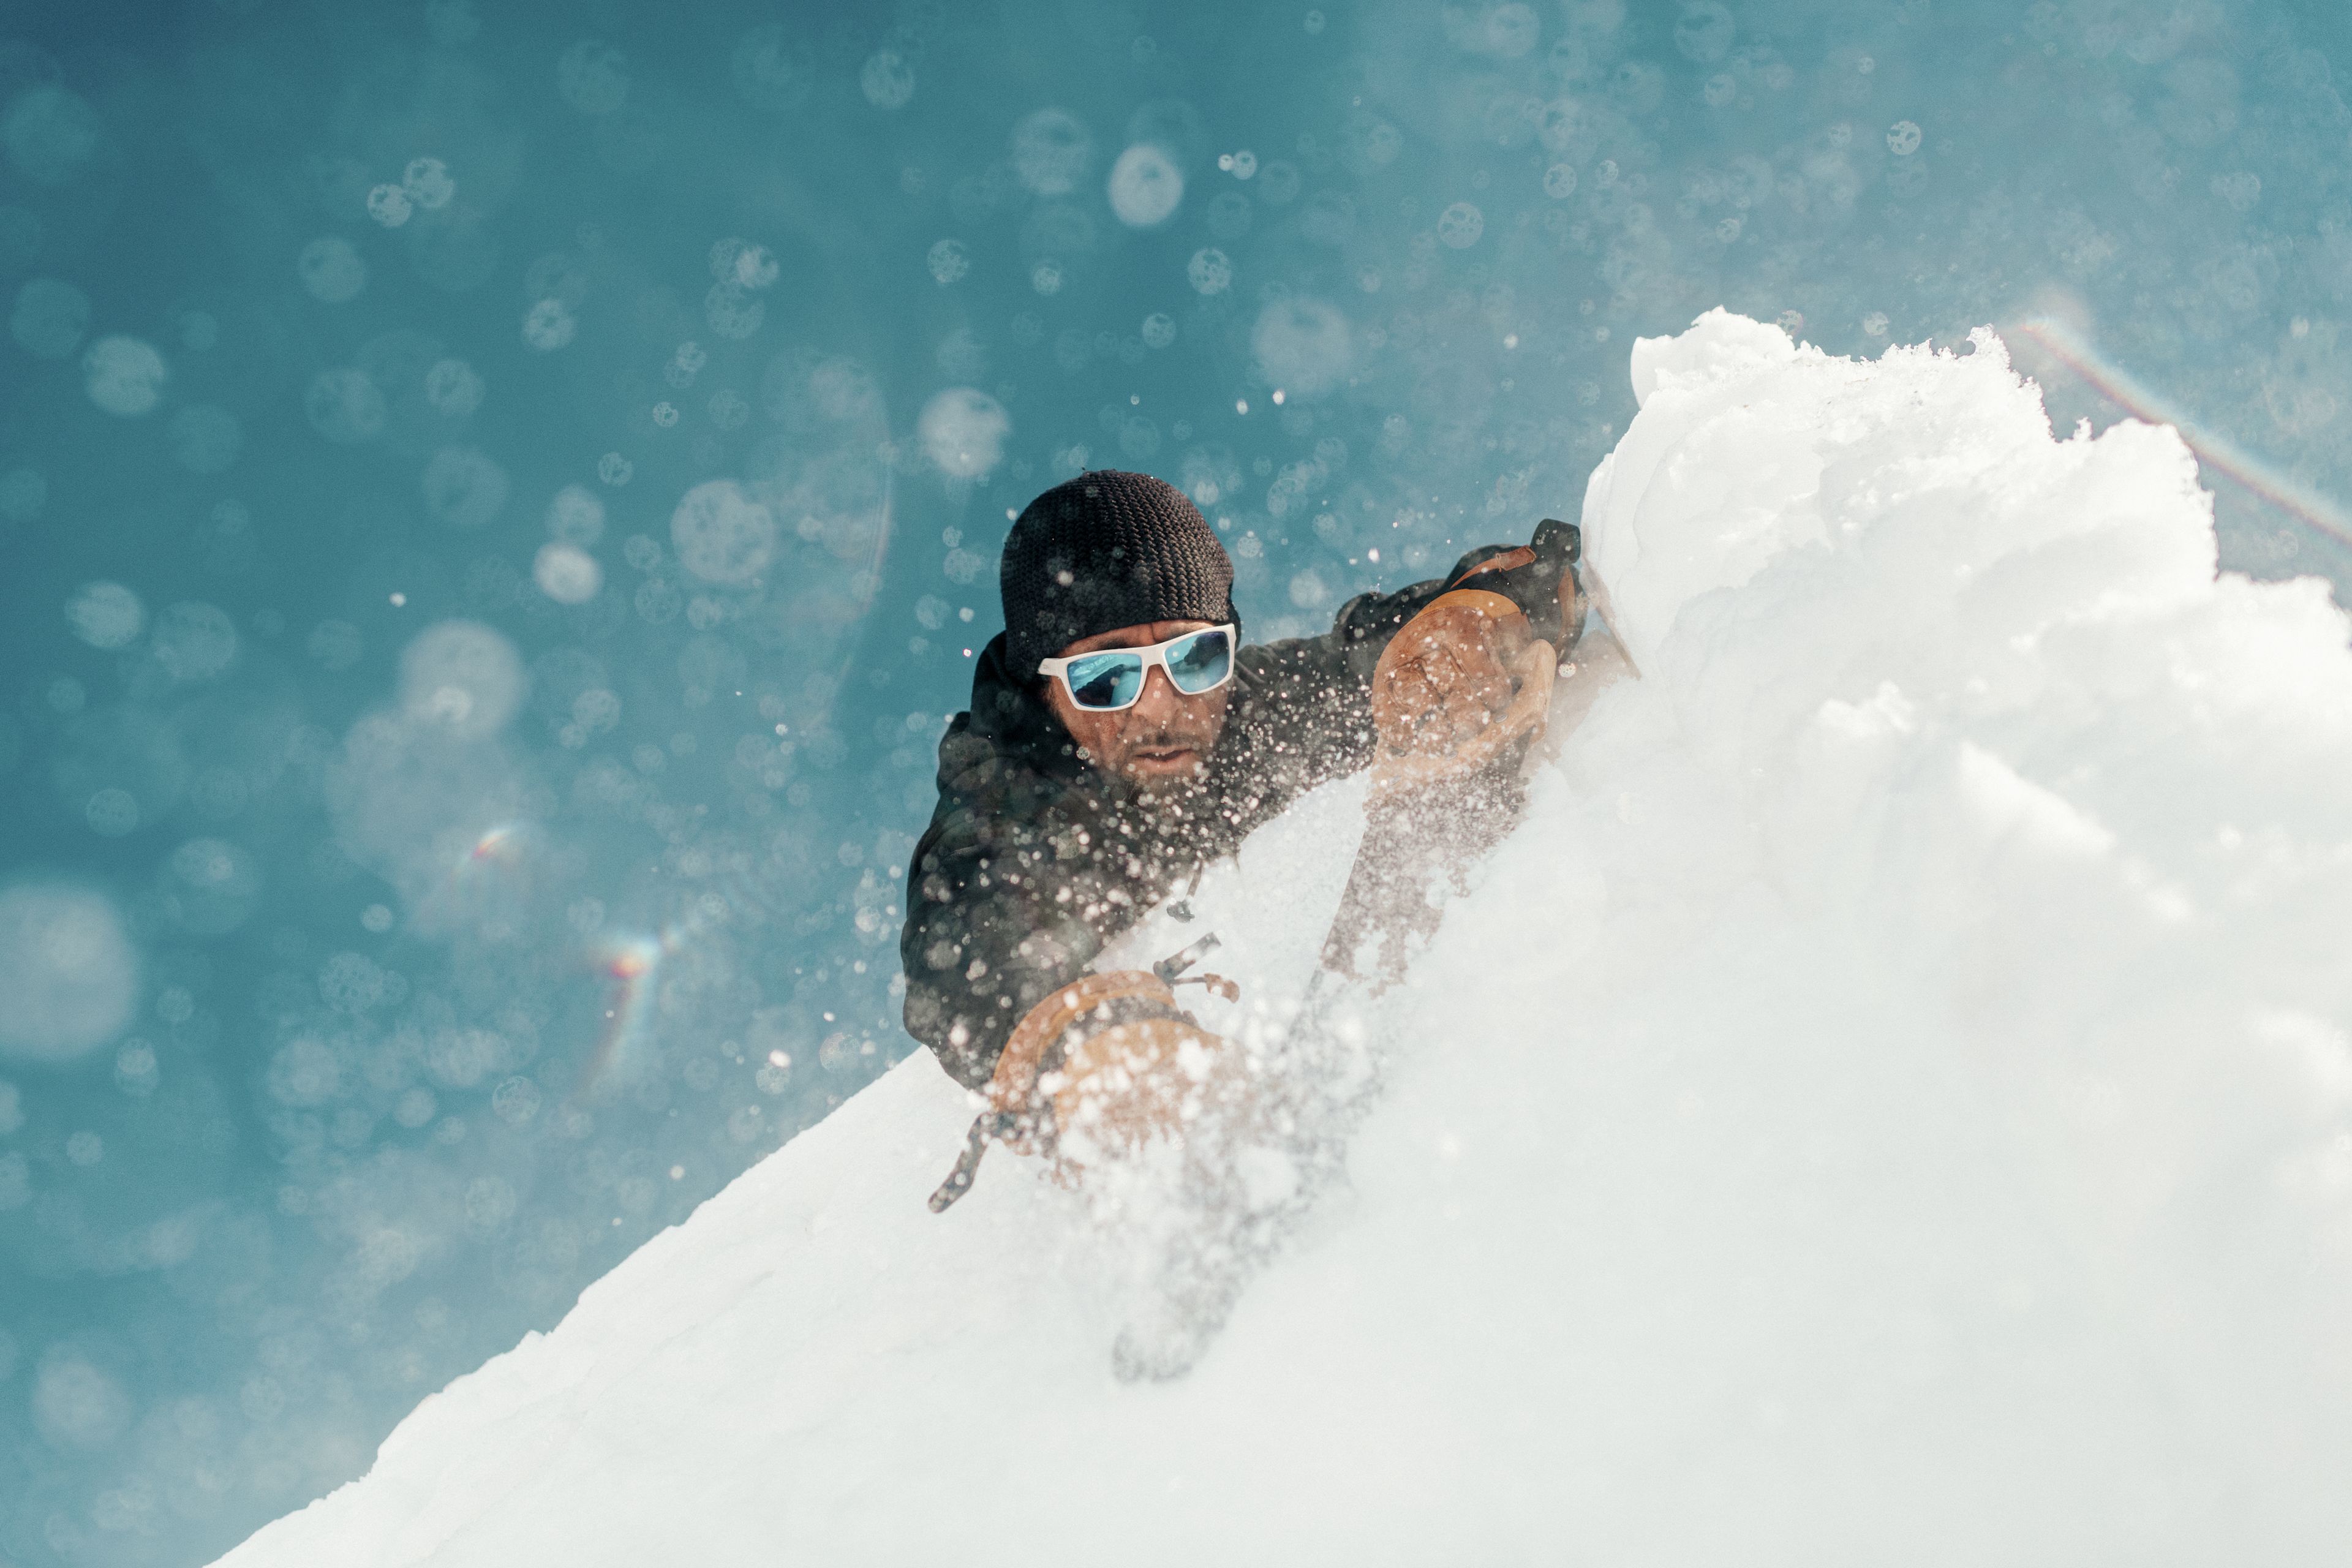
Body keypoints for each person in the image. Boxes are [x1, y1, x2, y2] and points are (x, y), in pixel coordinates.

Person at [902, 470, 1583, 1196]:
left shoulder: (1239, 716)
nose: (1160, 708)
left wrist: (1500, 603)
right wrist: (1103, 1050)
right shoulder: (1013, 800)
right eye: (1108, 680)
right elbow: (967, 952)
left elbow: (1371, 653)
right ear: (1044, 685)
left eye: (1194, 658)